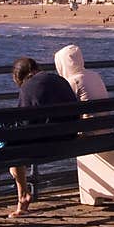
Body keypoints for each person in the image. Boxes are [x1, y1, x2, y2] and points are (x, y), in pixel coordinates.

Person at [8, 56, 77, 218]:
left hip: (49, 143)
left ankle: (23, 197)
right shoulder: (60, 80)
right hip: (71, 139)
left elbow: (25, 123)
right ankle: (23, 197)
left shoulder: (28, 87)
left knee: (12, 150)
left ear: (19, 76)